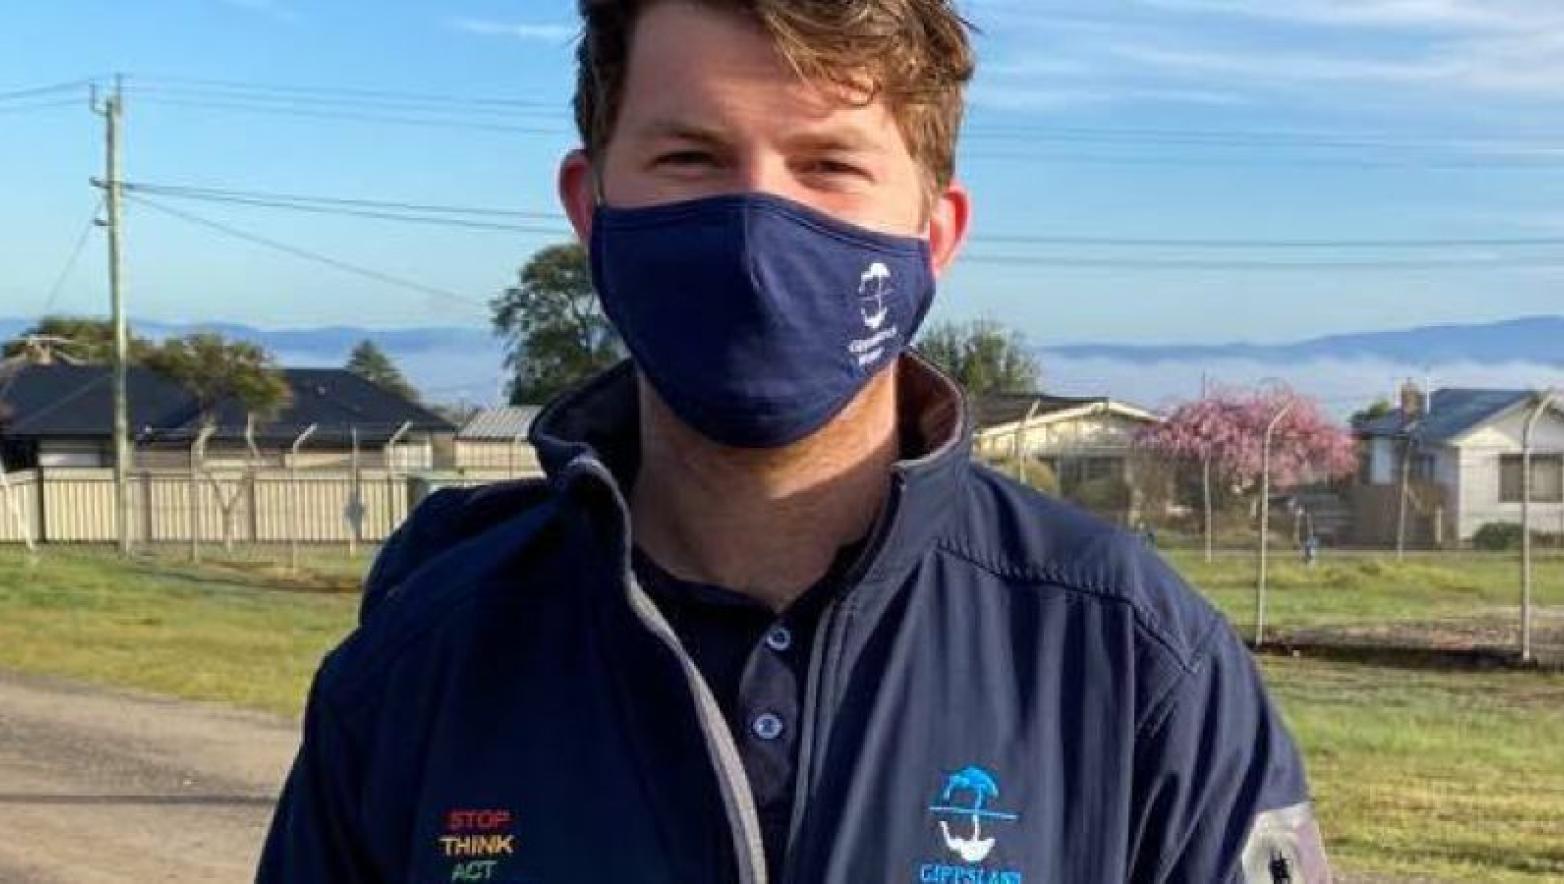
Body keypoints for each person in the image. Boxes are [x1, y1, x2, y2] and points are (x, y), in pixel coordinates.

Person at [258, 1, 1332, 881]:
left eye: (827, 165)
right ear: (591, 208)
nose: (757, 234)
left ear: (936, 231)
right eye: (691, 157)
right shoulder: (422, 664)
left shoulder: (1129, 657)